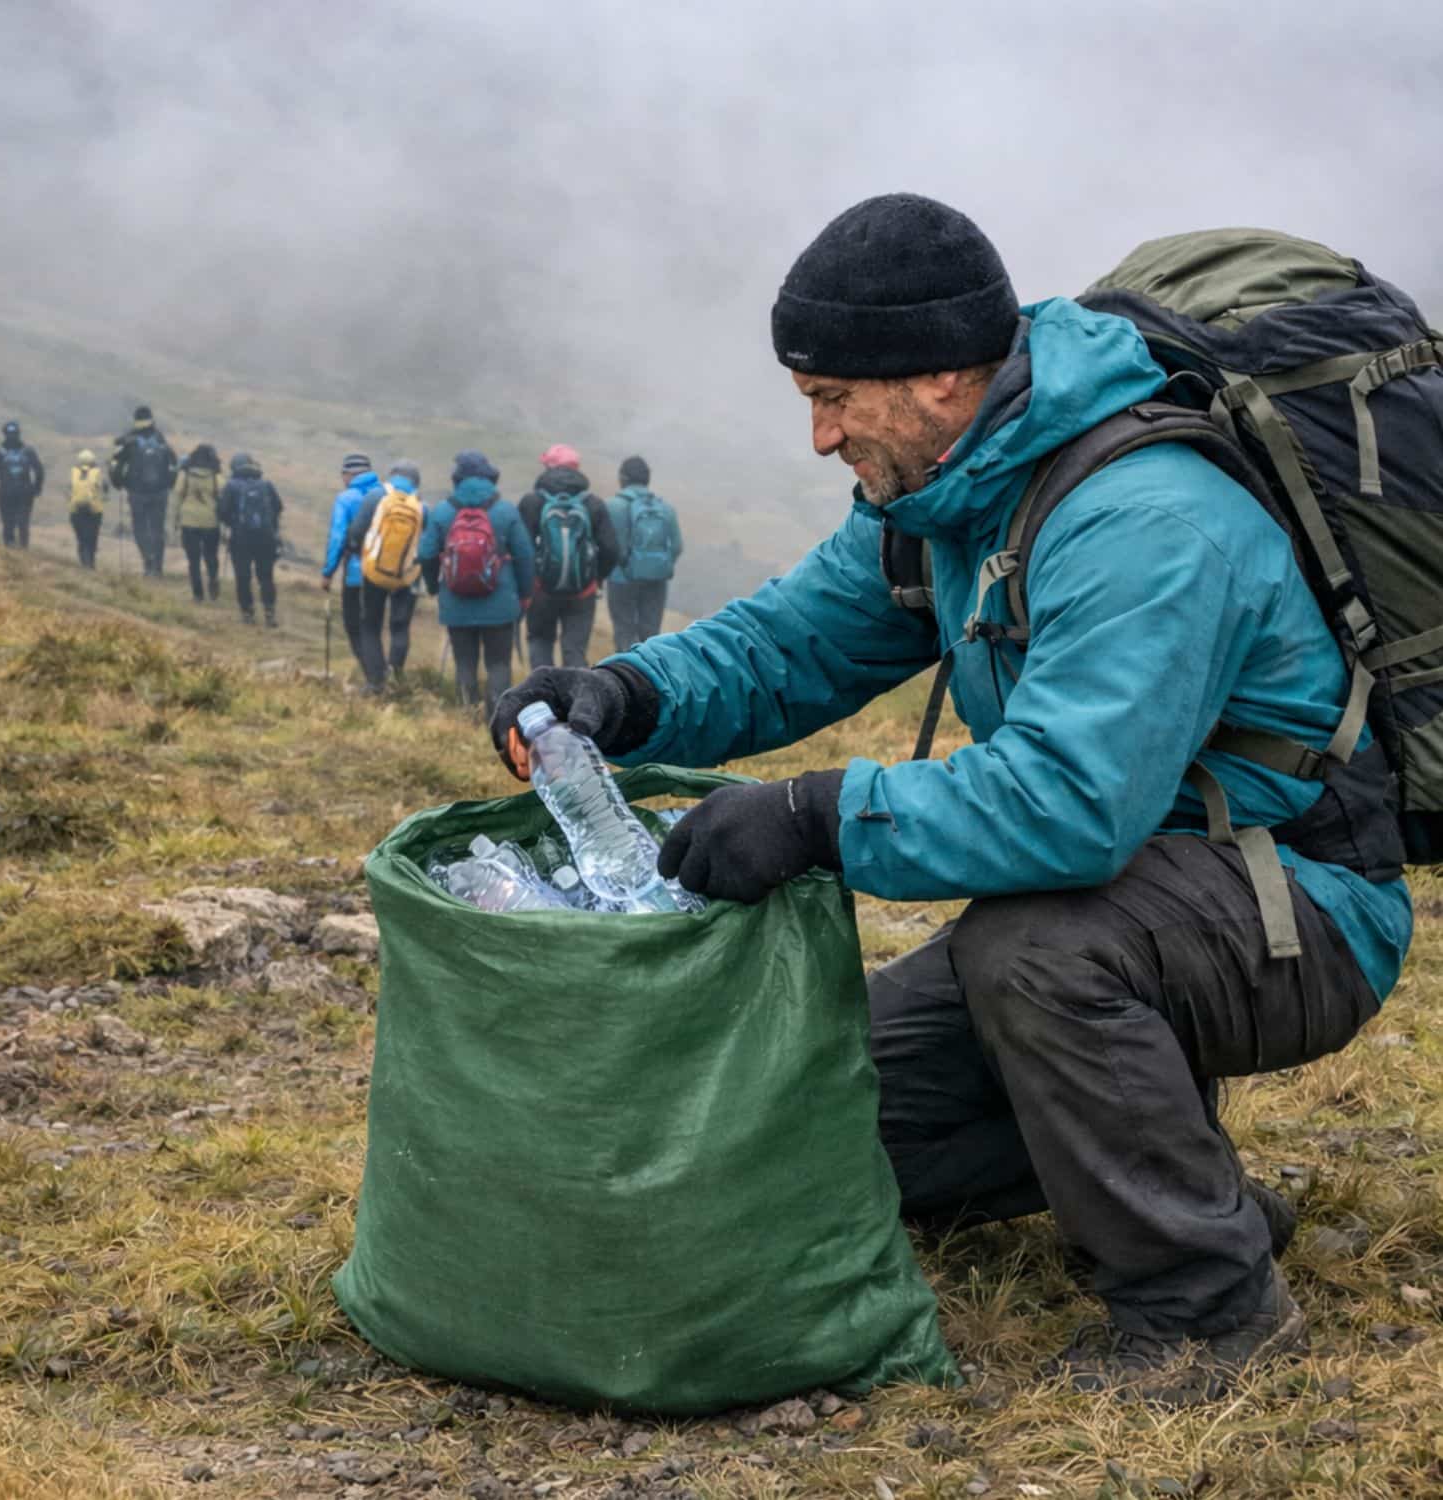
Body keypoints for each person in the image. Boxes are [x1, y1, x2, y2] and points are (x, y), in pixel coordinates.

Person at [491, 195, 1411, 1406]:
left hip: (1294, 901)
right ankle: (1187, 1187)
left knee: (1034, 953)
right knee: (835, 1113)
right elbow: (792, 642)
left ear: (935, 379)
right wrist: (626, 693)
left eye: (832, 401)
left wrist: (815, 819)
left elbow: (1071, 807)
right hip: (1127, 894)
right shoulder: (945, 496)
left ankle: (1206, 1310)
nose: (820, 438)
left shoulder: (1143, 519)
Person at [417, 449, 534, 716]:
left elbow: (425, 553)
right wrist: (525, 595)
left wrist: (435, 587)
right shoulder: (505, 511)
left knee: (464, 663)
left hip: (456, 602)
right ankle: (498, 719)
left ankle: (466, 715)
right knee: (498, 664)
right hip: (501, 604)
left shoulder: (444, 511)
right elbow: (525, 555)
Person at [517, 444, 619, 669]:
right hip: (583, 592)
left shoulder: (532, 502)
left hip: (541, 589)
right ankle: (577, 701)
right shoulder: (593, 504)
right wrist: (596, 578)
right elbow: (612, 549)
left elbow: (521, 550)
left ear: (548, 467)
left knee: (540, 641)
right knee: (575, 649)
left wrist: (528, 583)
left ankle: (543, 699)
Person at [346, 460, 425, 693]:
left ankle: (375, 682)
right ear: (416, 482)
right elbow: (426, 544)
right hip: (407, 576)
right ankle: (396, 677)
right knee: (400, 627)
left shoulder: (375, 496)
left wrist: (360, 552)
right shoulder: (420, 505)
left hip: (375, 573)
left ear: (391, 476)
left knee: (370, 625)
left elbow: (356, 532)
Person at [605, 455, 683, 650]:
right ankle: (649, 676)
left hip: (621, 578)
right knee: (650, 634)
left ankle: (625, 675)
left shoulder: (612, 506)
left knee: (624, 631)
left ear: (622, 478)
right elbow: (677, 546)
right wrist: (659, 565)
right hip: (657, 579)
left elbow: (606, 546)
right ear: (647, 479)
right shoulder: (665, 508)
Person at [322, 453, 383, 672]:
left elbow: (338, 537)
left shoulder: (347, 498)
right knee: (374, 627)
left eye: (343, 474)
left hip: (356, 574)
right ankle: (382, 674)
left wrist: (328, 572)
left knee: (354, 626)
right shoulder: (385, 494)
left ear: (350, 474)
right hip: (383, 573)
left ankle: (373, 678)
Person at [109, 404, 178, 576]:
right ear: (151, 419)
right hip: (160, 493)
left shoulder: (129, 441)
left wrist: (119, 484)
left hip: (137, 492)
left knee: (140, 528)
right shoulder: (159, 438)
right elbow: (173, 463)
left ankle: (148, 562)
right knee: (157, 528)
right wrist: (169, 485)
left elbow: (116, 466)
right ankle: (158, 567)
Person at [218, 451, 283, 626]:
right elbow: (278, 507)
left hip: (241, 538)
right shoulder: (266, 484)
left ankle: (248, 615)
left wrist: (233, 523)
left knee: (243, 577)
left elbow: (222, 512)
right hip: (265, 538)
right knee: (266, 577)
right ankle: (270, 614)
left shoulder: (231, 486)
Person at [171, 444, 223, 602]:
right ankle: (213, 580)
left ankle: (197, 594)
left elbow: (177, 498)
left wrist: (175, 520)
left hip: (188, 522)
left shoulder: (185, 475)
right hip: (211, 522)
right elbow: (224, 499)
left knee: (193, 560)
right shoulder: (217, 477)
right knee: (211, 556)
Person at [0, 421, 45, 549]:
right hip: (25, 493)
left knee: (8, 523)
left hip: (5, 493)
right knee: (23, 523)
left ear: (4, 434)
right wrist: (36, 488)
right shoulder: (28, 451)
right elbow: (39, 470)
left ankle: (10, 549)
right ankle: (24, 548)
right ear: (19, 433)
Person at [66, 448, 108, 568]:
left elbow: (68, 490)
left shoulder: (73, 473)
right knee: (92, 537)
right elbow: (105, 489)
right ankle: (90, 563)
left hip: (76, 511)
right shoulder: (97, 473)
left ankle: (83, 561)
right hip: (94, 512)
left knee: (81, 538)